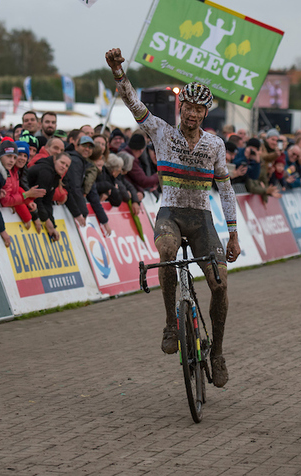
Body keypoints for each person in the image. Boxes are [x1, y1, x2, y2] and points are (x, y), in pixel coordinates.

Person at [107, 47, 240, 387]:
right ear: (181, 107)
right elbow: (132, 103)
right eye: (189, 108)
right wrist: (119, 72)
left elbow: (225, 190)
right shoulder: (161, 132)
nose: (193, 114)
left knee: (220, 287)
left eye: (199, 109)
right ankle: (170, 324)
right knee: (166, 253)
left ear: (205, 112)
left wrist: (233, 233)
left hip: (202, 220)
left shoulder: (215, 145)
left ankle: (218, 352)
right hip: (170, 214)